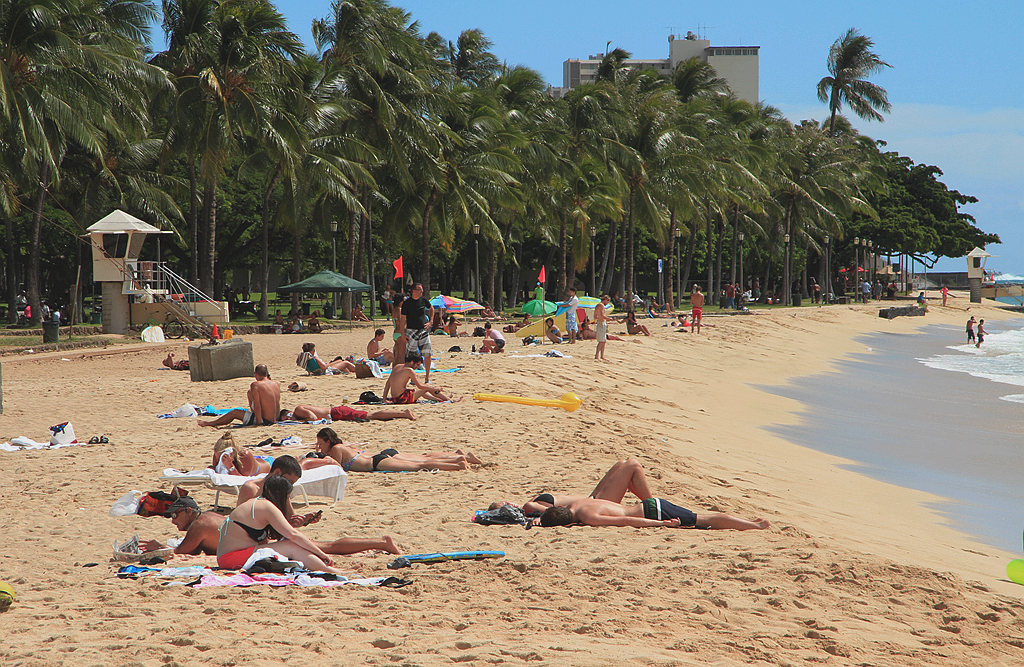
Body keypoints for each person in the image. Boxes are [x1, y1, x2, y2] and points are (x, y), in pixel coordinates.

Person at [143, 488, 401, 557]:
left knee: (325, 548)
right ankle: (380, 542)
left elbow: (180, 552)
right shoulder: (212, 517)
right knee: (326, 544)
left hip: (258, 546)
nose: (173, 520)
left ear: (189, 511)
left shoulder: (198, 526)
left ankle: (382, 542)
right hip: (259, 538)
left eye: (175, 515)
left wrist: (158, 547)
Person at [216, 475, 343, 572]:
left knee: (289, 544)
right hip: (231, 559)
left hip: (228, 557)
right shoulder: (266, 506)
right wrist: (321, 554)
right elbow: (293, 535)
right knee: (291, 546)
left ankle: (325, 568)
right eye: (287, 497)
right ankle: (330, 570)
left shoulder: (257, 502)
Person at [490, 458, 656, 516]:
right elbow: (563, 514)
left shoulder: (530, 504)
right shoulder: (528, 507)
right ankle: (654, 505)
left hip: (592, 498)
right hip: (596, 504)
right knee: (632, 465)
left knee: (622, 464)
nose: (509, 503)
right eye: (504, 505)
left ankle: (651, 504)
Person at [311, 427, 481, 472]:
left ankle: (458, 464)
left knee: (420, 465)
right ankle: (458, 458)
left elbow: (337, 468)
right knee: (423, 458)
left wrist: (320, 455)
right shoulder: (343, 446)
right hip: (380, 456)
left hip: (377, 463)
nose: (320, 446)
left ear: (327, 441)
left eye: (320, 443)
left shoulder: (337, 450)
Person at [198, 364, 280, 427]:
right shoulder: (275, 384)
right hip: (275, 419)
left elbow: (257, 405)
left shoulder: (256, 385)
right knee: (249, 393)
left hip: (265, 421)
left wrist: (259, 423)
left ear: (256, 374)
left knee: (234, 412)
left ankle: (210, 423)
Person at [382, 354, 456, 403]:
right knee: (427, 387)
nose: (417, 367)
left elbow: (388, 383)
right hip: (402, 399)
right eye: (417, 364)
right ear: (411, 362)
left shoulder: (397, 366)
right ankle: (449, 400)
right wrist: (435, 388)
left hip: (395, 398)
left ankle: (441, 399)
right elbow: (420, 386)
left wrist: (384, 399)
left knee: (422, 393)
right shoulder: (409, 370)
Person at [400, 283, 434, 382]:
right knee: (411, 356)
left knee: (427, 353)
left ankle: (427, 378)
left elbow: (431, 308)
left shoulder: (423, 300)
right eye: (419, 289)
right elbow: (403, 319)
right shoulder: (407, 303)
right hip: (411, 331)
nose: (421, 291)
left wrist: (431, 322)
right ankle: (412, 378)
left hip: (423, 330)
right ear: (413, 291)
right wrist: (402, 333)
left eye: (421, 289)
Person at [279, 403, 415, 423]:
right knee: (371, 415)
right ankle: (402, 413)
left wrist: (298, 421)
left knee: (371, 416)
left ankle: (403, 413)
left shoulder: (298, 409)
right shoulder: (299, 410)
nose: (288, 419)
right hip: (338, 412)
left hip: (337, 413)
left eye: (286, 417)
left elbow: (313, 417)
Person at [594, 294, 612, 360]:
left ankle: (601, 356)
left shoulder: (598, 305)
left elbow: (595, 316)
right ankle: (597, 355)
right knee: (601, 341)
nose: (608, 303)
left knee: (603, 341)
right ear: (605, 300)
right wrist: (609, 319)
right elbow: (602, 315)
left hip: (601, 322)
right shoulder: (601, 305)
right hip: (601, 323)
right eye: (608, 301)